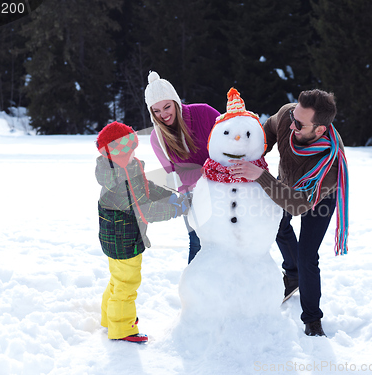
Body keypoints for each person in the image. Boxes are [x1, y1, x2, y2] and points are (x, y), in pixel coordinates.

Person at [228, 89, 349, 337]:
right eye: (293, 115)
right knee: (278, 226)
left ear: (319, 130)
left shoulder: (331, 165)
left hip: (318, 198)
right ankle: (293, 275)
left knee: (307, 256)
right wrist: (258, 154)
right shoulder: (287, 116)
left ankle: (312, 320)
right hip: (286, 183)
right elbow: (269, 129)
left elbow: (298, 205)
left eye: (299, 123)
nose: (292, 124)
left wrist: (260, 176)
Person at [96, 121, 188, 343]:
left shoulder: (127, 168)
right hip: (123, 240)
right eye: (130, 148)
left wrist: (170, 195)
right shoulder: (118, 182)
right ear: (117, 152)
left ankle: (109, 318)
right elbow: (145, 211)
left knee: (118, 280)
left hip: (119, 237)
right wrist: (177, 209)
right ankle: (122, 328)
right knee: (127, 284)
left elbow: (146, 188)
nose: (134, 152)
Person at [144, 71, 220, 263]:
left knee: (228, 240)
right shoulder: (157, 138)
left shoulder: (204, 113)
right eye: (156, 111)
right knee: (197, 241)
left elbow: (232, 141)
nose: (163, 114)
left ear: (176, 101)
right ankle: (194, 291)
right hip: (193, 195)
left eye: (167, 106)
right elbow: (174, 177)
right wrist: (202, 171)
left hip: (224, 187)